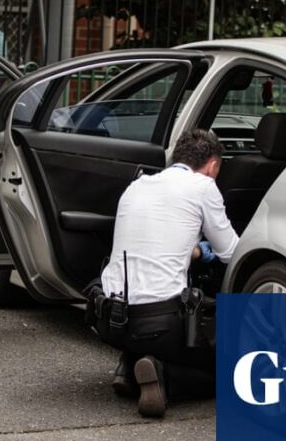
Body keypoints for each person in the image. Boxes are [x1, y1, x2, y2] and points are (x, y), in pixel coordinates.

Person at [96, 129, 238, 418]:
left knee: (145, 323)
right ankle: (163, 375)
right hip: (158, 325)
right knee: (229, 372)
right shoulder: (203, 186)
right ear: (212, 165)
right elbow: (232, 252)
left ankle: (129, 362)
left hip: (109, 318)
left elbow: (153, 240)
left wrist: (196, 250)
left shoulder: (138, 184)